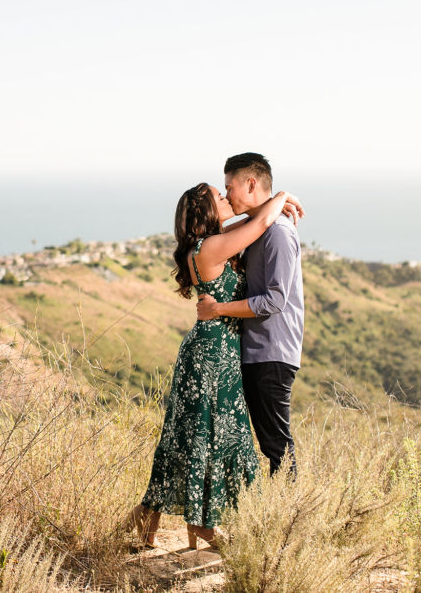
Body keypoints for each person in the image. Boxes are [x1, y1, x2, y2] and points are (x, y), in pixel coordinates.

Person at [126, 181, 304, 550]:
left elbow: (252, 220)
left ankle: (152, 519)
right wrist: (283, 195)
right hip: (213, 352)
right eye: (219, 197)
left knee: (188, 436)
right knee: (212, 435)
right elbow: (259, 224)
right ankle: (202, 527)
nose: (227, 199)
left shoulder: (209, 242)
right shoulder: (212, 246)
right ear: (207, 211)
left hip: (213, 348)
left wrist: (263, 204)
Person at [197, 153, 304, 480]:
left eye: (230, 187)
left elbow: (274, 300)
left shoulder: (278, 233)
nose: (228, 195)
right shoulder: (260, 229)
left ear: (251, 184)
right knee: (266, 445)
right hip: (256, 351)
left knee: (277, 448)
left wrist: (218, 309)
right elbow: (236, 227)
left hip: (271, 353)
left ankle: (287, 522)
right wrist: (279, 197)